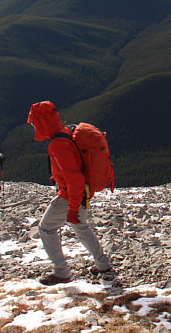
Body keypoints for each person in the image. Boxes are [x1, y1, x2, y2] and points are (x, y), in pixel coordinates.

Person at [27, 100, 114, 286]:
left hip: (70, 195)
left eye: (35, 122)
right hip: (83, 192)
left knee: (46, 228)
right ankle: (104, 265)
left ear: (42, 122)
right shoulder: (65, 131)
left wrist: (72, 209)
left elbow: (74, 179)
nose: (34, 126)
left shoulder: (57, 144)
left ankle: (61, 272)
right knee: (81, 227)